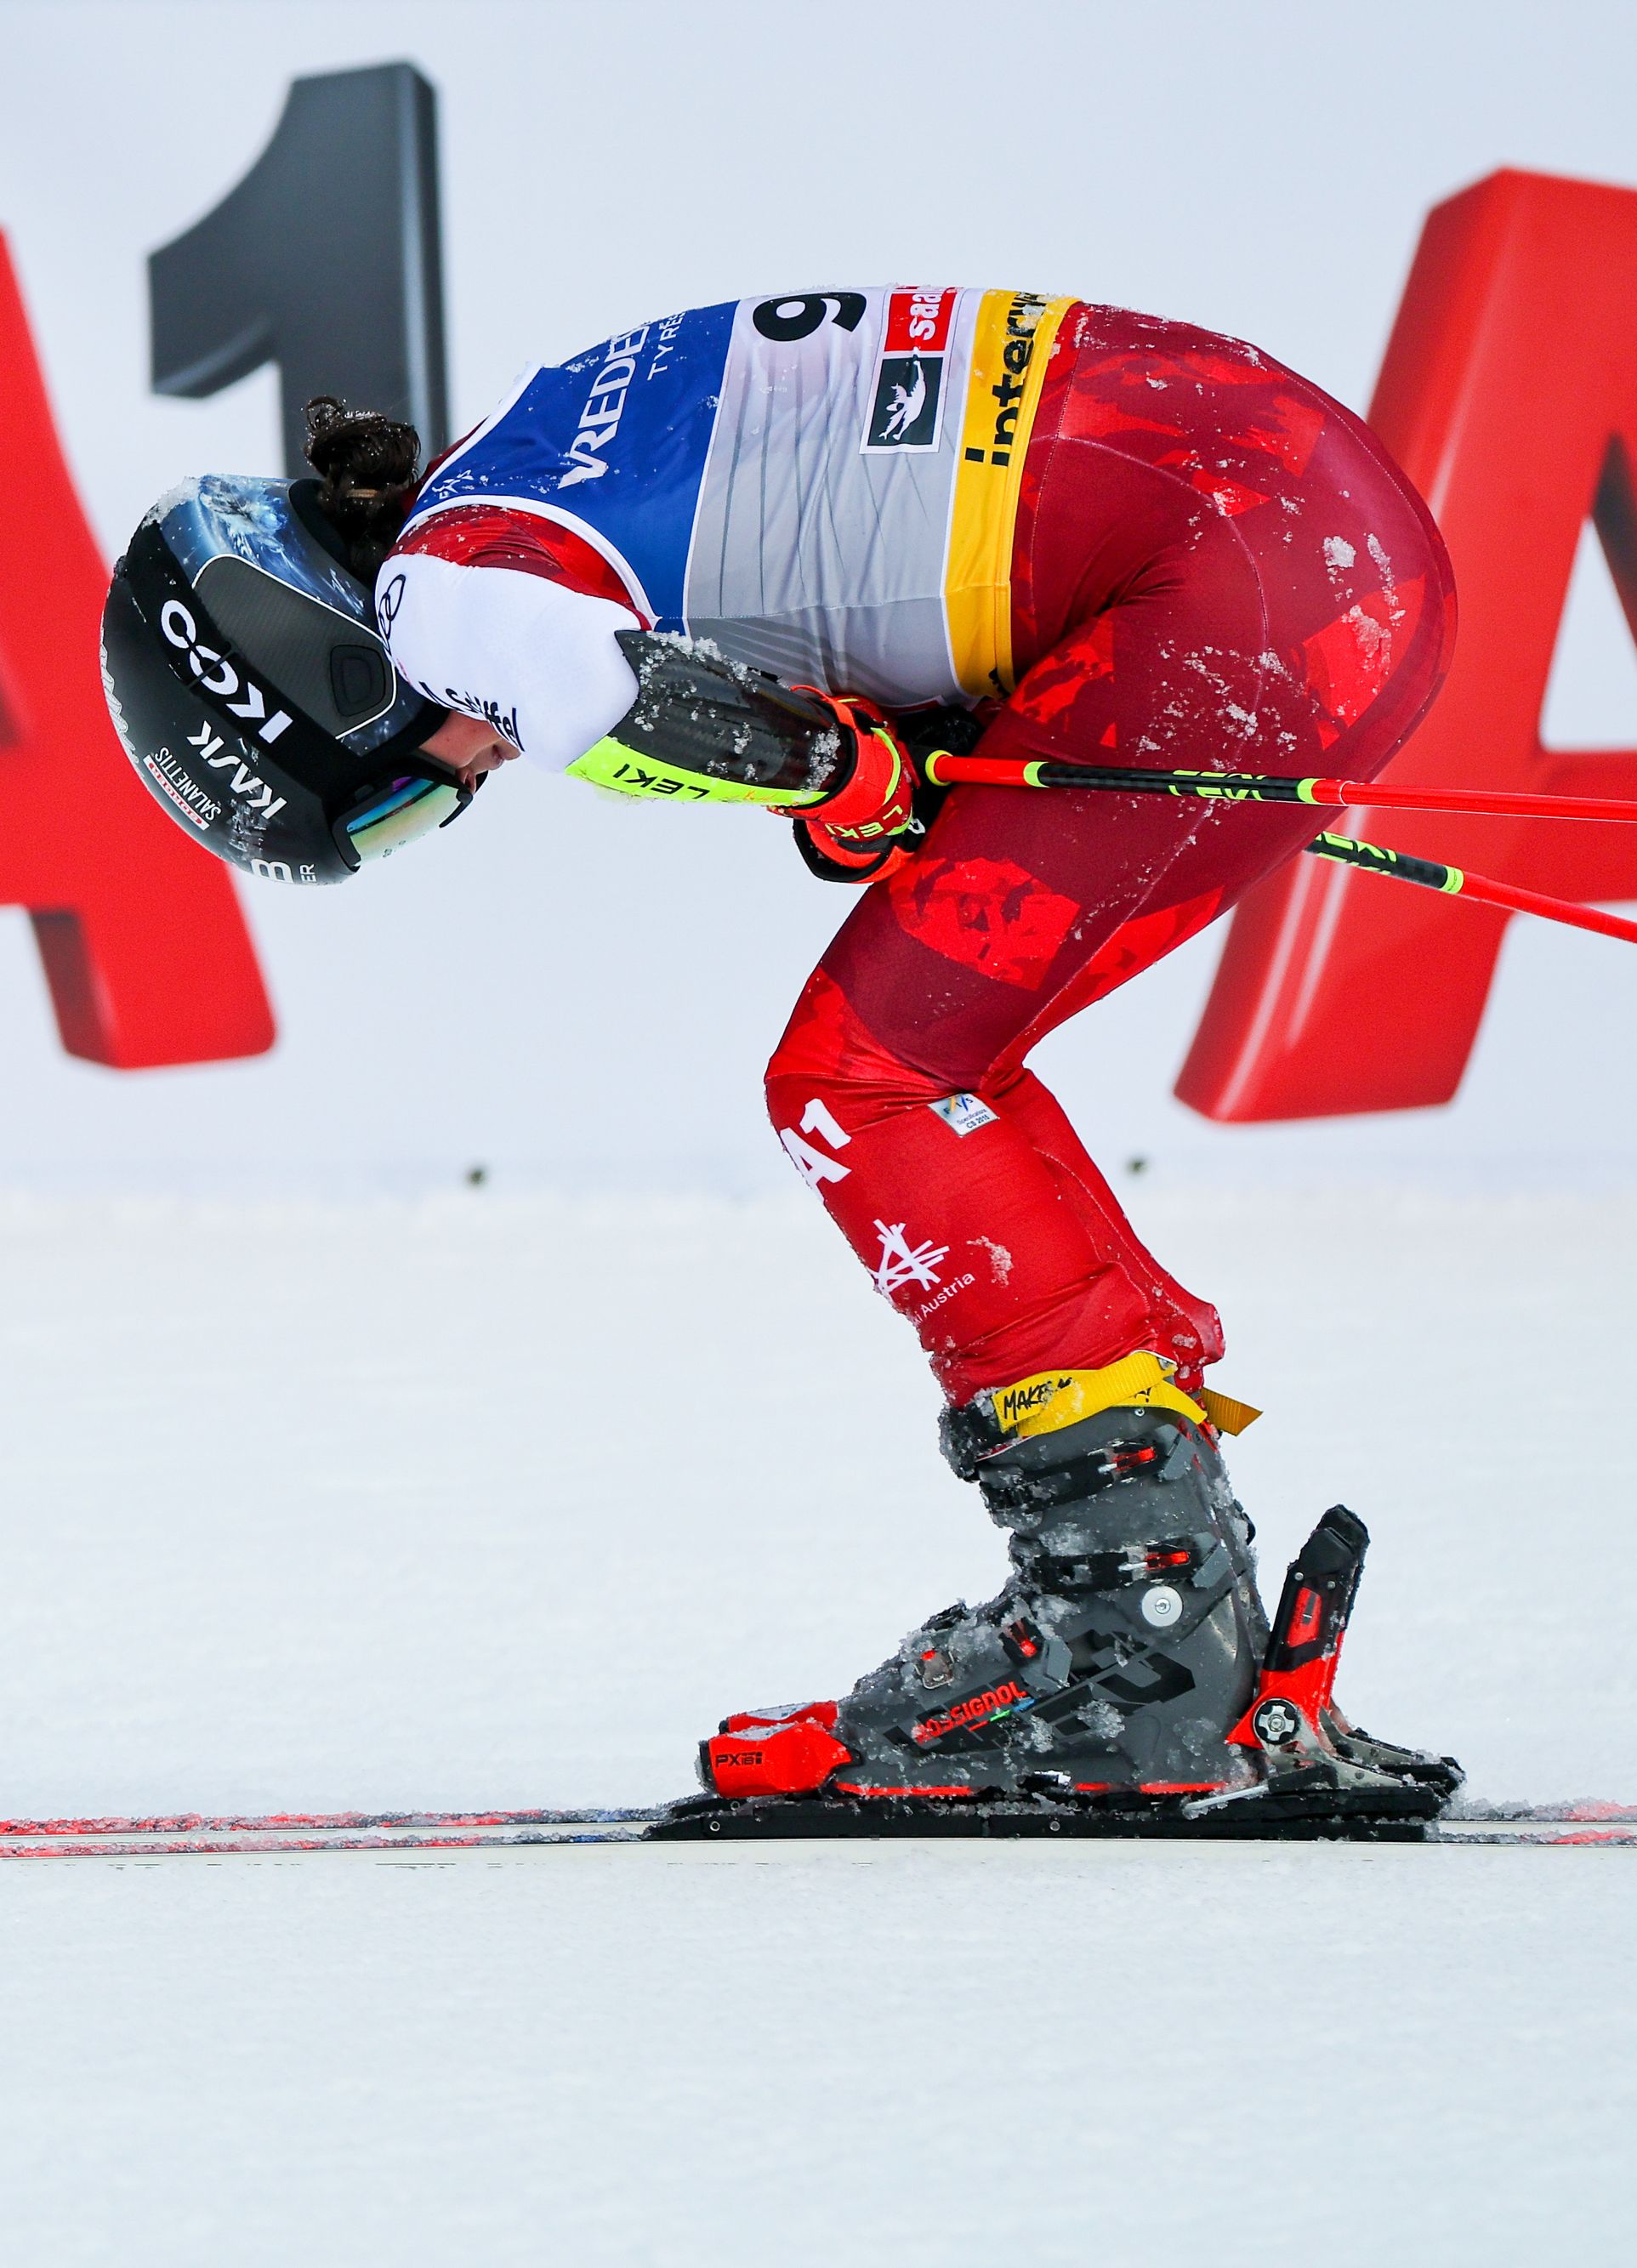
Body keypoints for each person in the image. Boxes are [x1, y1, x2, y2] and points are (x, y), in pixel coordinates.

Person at [101, 287, 1460, 1822]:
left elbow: (602, 702)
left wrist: (845, 767)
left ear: (326, 667)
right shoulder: (515, 473)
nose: (471, 782)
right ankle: (1164, 1609)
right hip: (1298, 524)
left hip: (1232, 583)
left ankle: (1134, 1645)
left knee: (863, 1082)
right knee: (944, 1055)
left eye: (409, 795)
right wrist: (880, 755)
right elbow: (871, 536)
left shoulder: (437, 598)